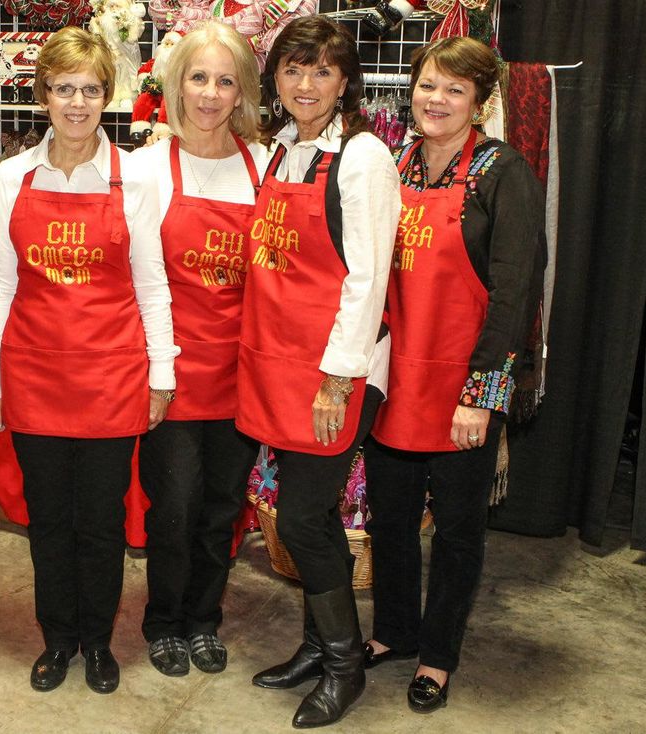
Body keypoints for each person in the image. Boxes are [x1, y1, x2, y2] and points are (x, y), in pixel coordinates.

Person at [0, 27, 177, 696]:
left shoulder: (137, 179)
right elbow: (2, 283)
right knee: (48, 522)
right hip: (33, 376)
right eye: (63, 89)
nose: (76, 104)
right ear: (43, 96)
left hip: (109, 379)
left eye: (90, 90)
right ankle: (57, 639)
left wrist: (161, 376)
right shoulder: (12, 178)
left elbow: (152, 283)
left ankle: (97, 640)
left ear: (107, 97)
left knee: (99, 524)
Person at [363, 36, 546, 714]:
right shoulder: (396, 163)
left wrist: (482, 396)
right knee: (391, 521)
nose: (435, 100)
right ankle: (393, 631)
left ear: (481, 102)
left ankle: (438, 656)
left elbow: (513, 296)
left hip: (463, 389)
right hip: (395, 382)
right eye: (428, 85)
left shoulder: (503, 173)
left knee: (460, 533)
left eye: (454, 91)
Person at [236, 15, 401, 729]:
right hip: (283, 360)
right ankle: (314, 645)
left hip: (340, 368)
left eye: (322, 72)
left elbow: (368, 279)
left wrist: (338, 381)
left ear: (346, 83)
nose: (306, 84)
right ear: (275, 79)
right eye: (294, 70)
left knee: (303, 516)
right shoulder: (282, 153)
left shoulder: (363, 159)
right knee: (308, 518)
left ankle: (344, 664)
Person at [129, 22, 267, 678]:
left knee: (221, 508)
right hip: (173, 373)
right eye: (199, 77)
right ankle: (164, 620)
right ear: (176, 83)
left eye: (224, 80)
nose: (210, 93)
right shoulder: (147, 168)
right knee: (175, 505)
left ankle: (204, 619)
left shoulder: (264, 167)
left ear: (242, 91)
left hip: (242, 375)